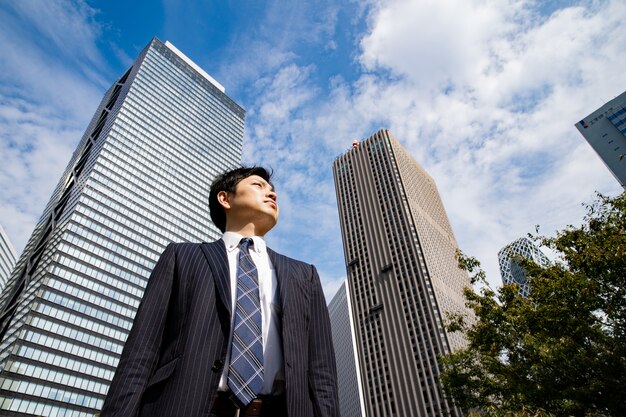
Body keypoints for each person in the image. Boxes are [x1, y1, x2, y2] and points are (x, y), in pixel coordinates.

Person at [100, 167, 339, 417]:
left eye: (273, 191)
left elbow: (322, 372)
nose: (272, 194)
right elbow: (141, 352)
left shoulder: (304, 275)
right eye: (259, 185)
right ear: (225, 199)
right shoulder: (182, 257)